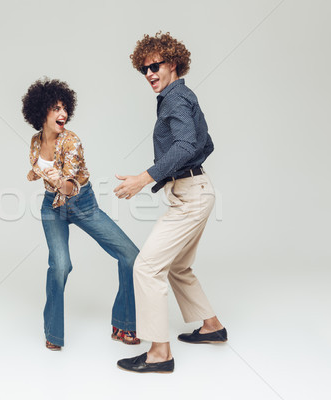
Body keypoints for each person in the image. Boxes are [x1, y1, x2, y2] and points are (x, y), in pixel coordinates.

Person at [114, 32, 227, 373]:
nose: (149, 73)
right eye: (143, 69)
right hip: (197, 190)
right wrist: (176, 175)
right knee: (177, 266)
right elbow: (204, 144)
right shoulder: (182, 95)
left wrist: (143, 178)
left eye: (155, 65)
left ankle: (159, 353)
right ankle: (211, 326)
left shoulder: (174, 99)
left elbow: (184, 145)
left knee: (147, 268)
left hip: (190, 198)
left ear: (173, 63)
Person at [22, 78, 140, 351]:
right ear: (41, 113)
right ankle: (53, 332)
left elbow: (71, 186)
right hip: (52, 208)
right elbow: (37, 166)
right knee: (60, 266)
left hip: (81, 204)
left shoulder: (71, 141)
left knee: (131, 255)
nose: (62, 114)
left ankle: (123, 323)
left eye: (65, 108)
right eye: (55, 108)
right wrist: (35, 173)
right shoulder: (35, 141)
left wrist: (58, 181)